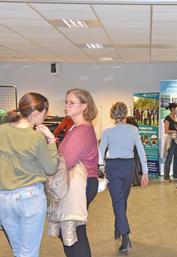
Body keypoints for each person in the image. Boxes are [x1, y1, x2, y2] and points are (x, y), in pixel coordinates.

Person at [0, 92, 58, 257]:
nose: (45, 117)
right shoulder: (36, 138)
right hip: (30, 198)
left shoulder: (1, 130)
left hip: (4, 199)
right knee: (29, 253)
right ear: (35, 113)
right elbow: (51, 167)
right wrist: (52, 141)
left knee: (18, 251)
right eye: (44, 113)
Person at [99, 102, 149, 254]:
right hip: (128, 167)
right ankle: (121, 230)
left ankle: (123, 233)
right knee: (121, 200)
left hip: (113, 168)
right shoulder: (133, 130)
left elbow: (100, 153)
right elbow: (141, 151)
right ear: (125, 113)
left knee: (118, 201)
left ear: (112, 114)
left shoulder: (107, 131)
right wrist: (145, 172)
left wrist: (101, 169)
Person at [58, 88, 99, 257]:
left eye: (71, 102)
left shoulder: (82, 130)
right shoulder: (77, 127)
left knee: (75, 231)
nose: (67, 105)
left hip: (81, 184)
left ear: (84, 106)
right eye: (66, 101)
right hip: (79, 183)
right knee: (69, 230)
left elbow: (65, 161)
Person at [163, 102, 177, 182]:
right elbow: (166, 131)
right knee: (169, 158)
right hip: (171, 140)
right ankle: (166, 177)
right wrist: (175, 130)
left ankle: (176, 175)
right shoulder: (167, 118)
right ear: (172, 109)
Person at [125, 116, 144, 186]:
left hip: (130, 148)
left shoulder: (128, 129)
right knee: (135, 165)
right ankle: (135, 180)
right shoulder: (136, 128)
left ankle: (132, 181)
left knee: (130, 165)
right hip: (136, 148)